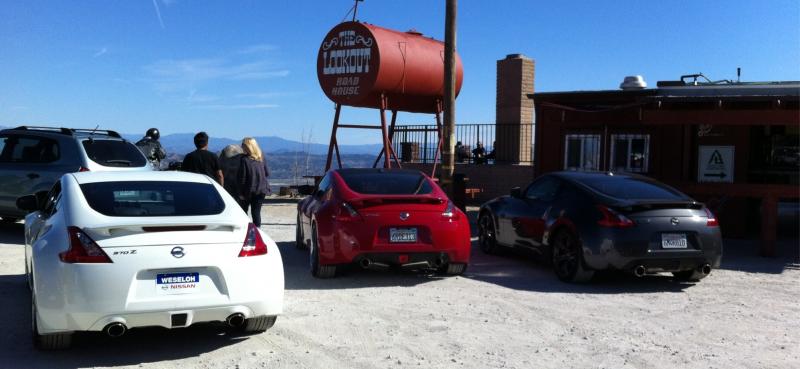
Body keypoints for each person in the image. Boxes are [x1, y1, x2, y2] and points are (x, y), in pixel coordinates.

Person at [237, 137, 271, 227]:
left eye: (243, 145)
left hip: (248, 190)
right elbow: (267, 173)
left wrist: (240, 193)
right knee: (256, 213)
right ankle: (257, 234)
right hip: (261, 189)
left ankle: (245, 232)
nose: (241, 147)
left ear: (248, 147)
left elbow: (242, 178)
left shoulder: (244, 160)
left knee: (243, 213)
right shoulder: (261, 156)